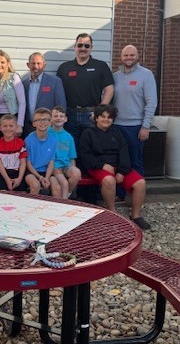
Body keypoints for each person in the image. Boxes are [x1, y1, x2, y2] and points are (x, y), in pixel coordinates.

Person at [79, 104, 151, 230]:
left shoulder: (117, 133)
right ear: (96, 118)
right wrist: (102, 165)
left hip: (119, 167)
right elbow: (85, 155)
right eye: (103, 116)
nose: (106, 120)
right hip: (97, 167)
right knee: (109, 180)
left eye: (109, 117)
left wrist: (122, 171)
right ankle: (112, 212)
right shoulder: (88, 133)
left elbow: (124, 153)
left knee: (140, 183)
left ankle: (136, 216)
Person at [56, 33, 115, 147]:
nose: (83, 48)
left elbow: (109, 89)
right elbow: (57, 92)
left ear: (91, 48)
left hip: (91, 115)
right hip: (70, 115)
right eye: (80, 45)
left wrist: (99, 112)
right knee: (71, 148)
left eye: (87, 46)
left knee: (91, 147)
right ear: (75, 47)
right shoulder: (64, 68)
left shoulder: (101, 66)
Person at [113, 45, 158, 175]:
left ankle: (137, 193)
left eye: (132, 55)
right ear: (121, 57)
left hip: (135, 127)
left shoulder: (146, 75)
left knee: (135, 161)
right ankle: (120, 194)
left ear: (137, 56)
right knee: (119, 162)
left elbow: (151, 102)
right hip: (116, 126)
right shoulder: (115, 76)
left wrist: (146, 126)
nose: (129, 58)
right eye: (126, 55)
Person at [0, 50, 26, 138]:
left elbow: (22, 103)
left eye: (2, 62)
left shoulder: (14, 78)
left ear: (7, 64)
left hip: (11, 119)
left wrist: (19, 125)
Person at [22, 52, 66, 135]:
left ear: (44, 65)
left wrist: (56, 124)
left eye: (38, 63)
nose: (36, 66)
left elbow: (61, 105)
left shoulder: (55, 82)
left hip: (49, 128)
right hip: (29, 128)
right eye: (33, 63)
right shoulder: (23, 84)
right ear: (28, 65)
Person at [24, 108, 61, 198]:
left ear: (50, 123)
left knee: (57, 187)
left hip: (46, 171)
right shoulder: (29, 140)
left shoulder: (53, 140)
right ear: (34, 123)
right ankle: (31, 210)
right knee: (35, 185)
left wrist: (47, 178)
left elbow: (51, 162)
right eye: (39, 120)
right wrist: (40, 177)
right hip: (32, 171)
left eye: (45, 120)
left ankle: (56, 210)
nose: (42, 122)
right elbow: (28, 164)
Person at [49, 106, 81, 199]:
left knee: (76, 172)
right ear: (50, 119)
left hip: (66, 166)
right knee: (63, 183)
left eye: (61, 116)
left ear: (65, 119)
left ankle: (67, 194)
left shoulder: (68, 136)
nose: (58, 118)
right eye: (55, 116)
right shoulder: (47, 133)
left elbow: (72, 157)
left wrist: (73, 168)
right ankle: (64, 201)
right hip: (53, 166)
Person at [0, 114, 28, 191]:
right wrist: (7, 180)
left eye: (11, 126)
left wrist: (19, 178)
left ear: (16, 127)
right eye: (5, 126)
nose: (8, 128)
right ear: (0, 128)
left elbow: (23, 163)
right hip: (3, 173)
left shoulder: (21, 143)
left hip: (17, 173)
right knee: (3, 194)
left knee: (21, 196)